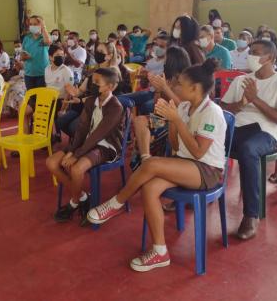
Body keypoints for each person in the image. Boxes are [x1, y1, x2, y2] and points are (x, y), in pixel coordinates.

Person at [87, 59, 226, 272]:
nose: (176, 88)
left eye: (179, 84)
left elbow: (199, 152)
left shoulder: (212, 112)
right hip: (186, 163)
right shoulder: (187, 106)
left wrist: (177, 121)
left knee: (150, 164)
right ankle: (160, 251)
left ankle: (116, 203)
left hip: (207, 171)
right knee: (150, 188)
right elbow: (176, 145)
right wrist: (173, 121)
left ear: (195, 88)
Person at [221, 40, 277, 240]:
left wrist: (255, 100)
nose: (250, 56)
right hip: (236, 128)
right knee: (205, 136)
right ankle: (197, 187)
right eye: (250, 53)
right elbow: (223, 109)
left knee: (247, 149)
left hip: (265, 133)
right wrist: (241, 103)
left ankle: (251, 215)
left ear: (269, 58)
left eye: (255, 53)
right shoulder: (241, 80)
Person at [46, 67, 124, 223]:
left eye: (96, 82)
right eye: (92, 81)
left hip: (106, 146)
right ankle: (82, 197)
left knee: (76, 168)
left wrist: (76, 155)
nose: (92, 85)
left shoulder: (115, 107)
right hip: (86, 142)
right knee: (51, 162)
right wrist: (72, 150)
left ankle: (74, 202)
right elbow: (82, 129)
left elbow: (98, 135)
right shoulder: (90, 101)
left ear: (110, 87)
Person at [130, 46, 192, 165]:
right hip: (164, 119)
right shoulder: (168, 79)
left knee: (153, 125)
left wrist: (165, 88)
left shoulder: (185, 81)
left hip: (180, 122)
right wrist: (158, 90)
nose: (163, 61)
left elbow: (185, 108)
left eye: (166, 59)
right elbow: (157, 106)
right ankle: (146, 158)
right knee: (139, 120)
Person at [22, 15, 51, 90]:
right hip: (28, 74)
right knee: (31, 98)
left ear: (41, 25)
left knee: (41, 99)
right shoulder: (27, 38)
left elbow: (48, 42)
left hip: (42, 74)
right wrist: (24, 57)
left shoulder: (44, 37)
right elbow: (22, 54)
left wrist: (43, 27)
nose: (32, 26)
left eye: (35, 24)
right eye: (31, 24)